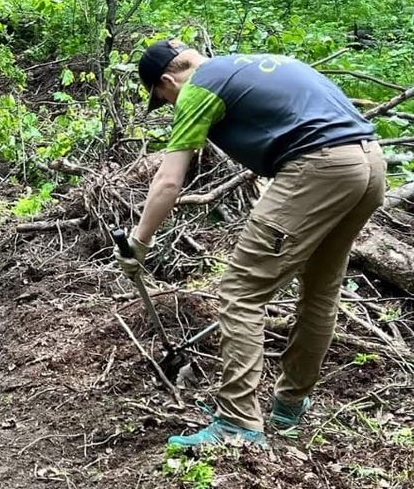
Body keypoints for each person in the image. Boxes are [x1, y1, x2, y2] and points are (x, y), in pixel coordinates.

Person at [118, 39, 383, 448]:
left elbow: (169, 181)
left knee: (240, 292)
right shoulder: (261, 62)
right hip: (369, 162)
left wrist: (139, 241)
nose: (171, 105)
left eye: (164, 99)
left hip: (320, 167)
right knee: (320, 292)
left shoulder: (197, 88)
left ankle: (238, 424)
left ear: (168, 80)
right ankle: (289, 407)